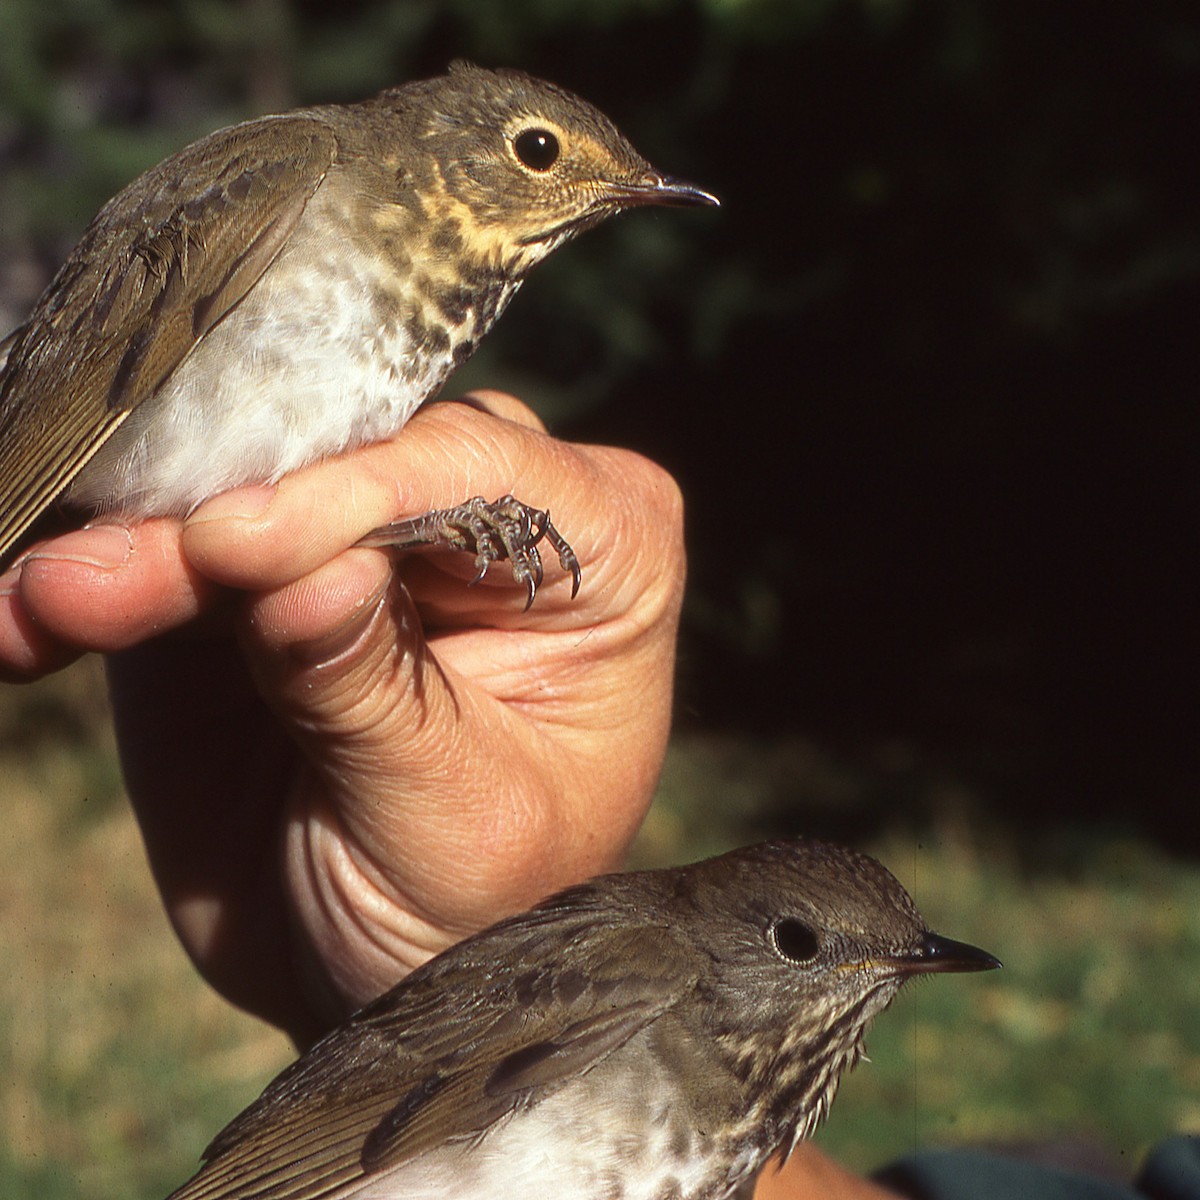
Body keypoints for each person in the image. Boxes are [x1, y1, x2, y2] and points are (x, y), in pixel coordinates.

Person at [1, 393, 1194, 1200]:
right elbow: (360, 1122)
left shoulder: (732, 1091)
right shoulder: (639, 975)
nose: (850, 968)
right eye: (799, 944)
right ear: (729, 931)